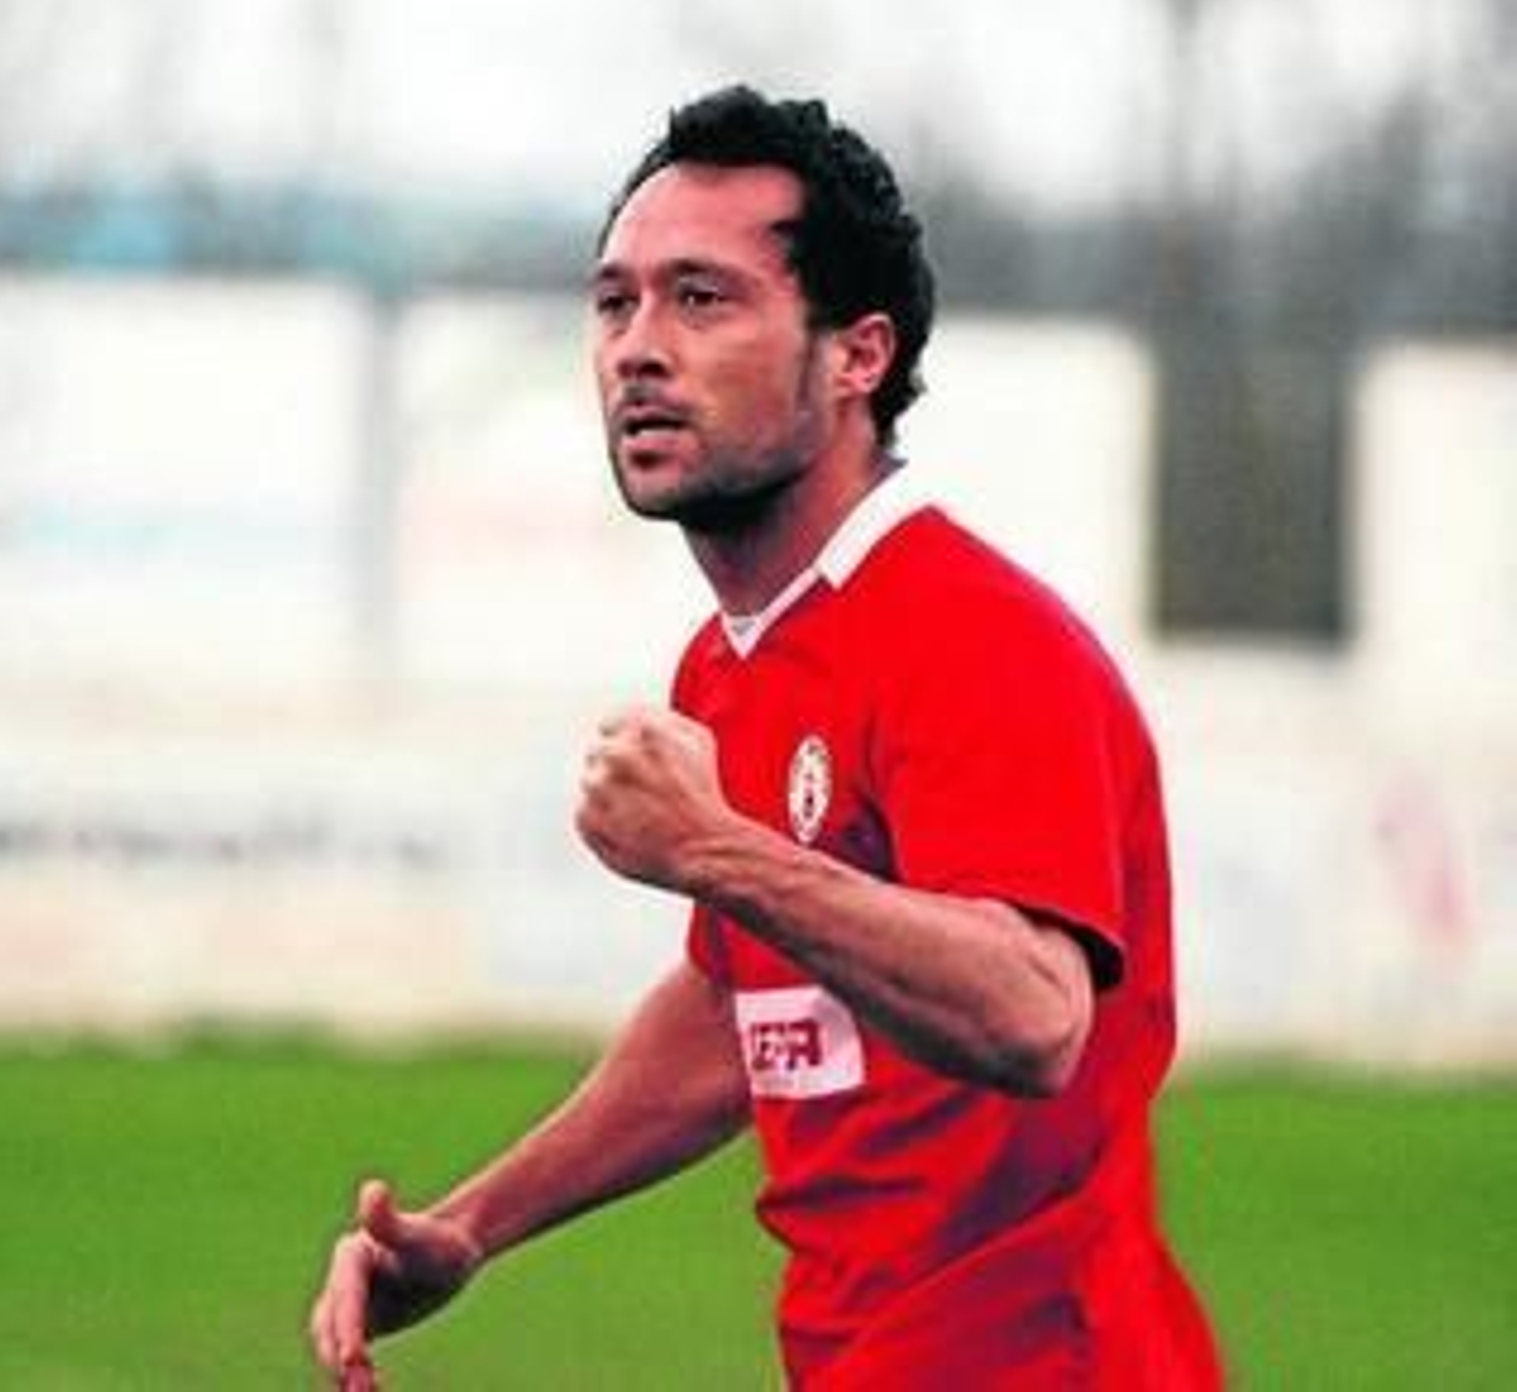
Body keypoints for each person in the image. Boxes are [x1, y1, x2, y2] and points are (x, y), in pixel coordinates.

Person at [309, 86, 1222, 1388]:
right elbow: (742, 1005)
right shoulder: (734, 659)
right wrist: (470, 1223)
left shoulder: (973, 636)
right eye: (614, 300)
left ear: (856, 354)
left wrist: (719, 851)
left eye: (702, 298)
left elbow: (1033, 1012)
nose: (638, 346)